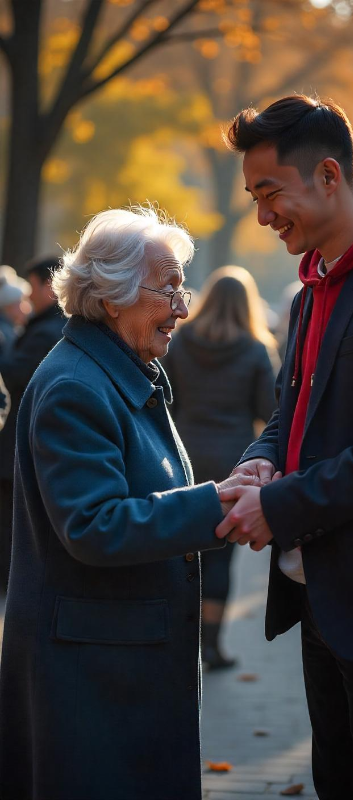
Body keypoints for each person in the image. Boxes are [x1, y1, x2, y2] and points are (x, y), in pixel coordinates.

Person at [0, 206, 255, 800]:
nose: (183, 306)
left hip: (111, 664)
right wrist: (212, 504)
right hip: (91, 677)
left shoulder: (113, 370)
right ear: (111, 298)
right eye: (167, 288)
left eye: (181, 286)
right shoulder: (77, 386)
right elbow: (93, 525)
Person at [216, 95, 353, 798]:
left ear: (328, 175)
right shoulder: (306, 295)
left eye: (270, 194)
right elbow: (285, 415)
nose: (263, 217)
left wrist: (280, 505)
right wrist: (261, 460)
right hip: (320, 595)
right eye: (255, 198)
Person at [163, 265, 278, 669]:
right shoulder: (253, 348)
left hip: (184, 454)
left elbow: (166, 400)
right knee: (221, 556)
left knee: (179, 549)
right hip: (232, 462)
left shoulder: (181, 340)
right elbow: (271, 412)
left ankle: (177, 639)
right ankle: (210, 645)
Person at [0, 256, 65, 591]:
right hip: (25, 440)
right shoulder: (47, 327)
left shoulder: (46, 331)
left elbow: (13, 375)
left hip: (19, 441)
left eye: (32, 286)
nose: (28, 295)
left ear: (49, 286)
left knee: (12, 520)